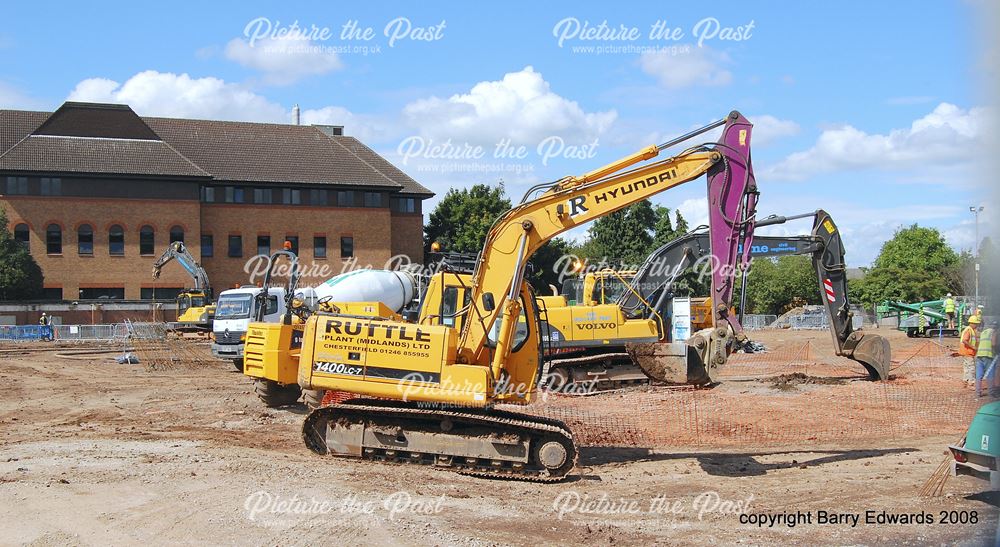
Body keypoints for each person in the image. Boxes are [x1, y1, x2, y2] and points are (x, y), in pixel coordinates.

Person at [975, 320, 997, 397]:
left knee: (979, 375)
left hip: (979, 355)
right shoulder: (994, 332)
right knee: (990, 375)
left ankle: (978, 392)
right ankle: (991, 393)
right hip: (988, 355)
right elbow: (993, 343)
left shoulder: (984, 332)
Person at [960, 315, 981, 386]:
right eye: (976, 324)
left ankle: (965, 380)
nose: (977, 325)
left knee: (966, 367)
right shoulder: (969, 330)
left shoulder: (969, 329)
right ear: (972, 323)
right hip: (968, 352)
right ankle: (971, 382)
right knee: (971, 368)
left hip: (966, 352)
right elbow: (964, 340)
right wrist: (973, 347)